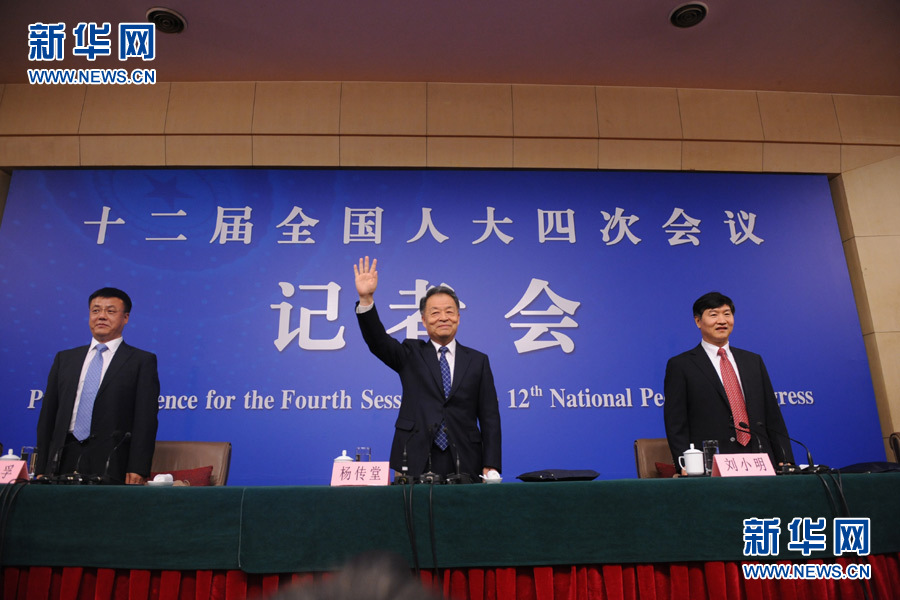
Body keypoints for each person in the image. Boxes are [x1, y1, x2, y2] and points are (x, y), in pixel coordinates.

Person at [353, 257, 501, 481]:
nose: (443, 318)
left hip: (465, 456)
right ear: (424, 320)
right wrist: (366, 300)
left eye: (449, 312)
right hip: (414, 454)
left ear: (458, 318)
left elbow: (490, 416)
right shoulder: (411, 353)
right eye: (435, 313)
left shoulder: (478, 361)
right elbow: (378, 341)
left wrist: (491, 463)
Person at [35, 287, 160, 484]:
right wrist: (42, 466)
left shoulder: (141, 361)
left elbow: (145, 420)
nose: (101, 316)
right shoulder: (65, 359)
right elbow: (48, 417)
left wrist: (138, 467)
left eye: (110, 311)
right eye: (95, 310)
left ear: (125, 318)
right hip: (63, 455)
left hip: (112, 457)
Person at [663, 291, 794, 468]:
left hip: (760, 460)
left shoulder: (753, 361)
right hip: (712, 464)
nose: (722, 321)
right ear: (698, 321)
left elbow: (772, 415)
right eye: (713, 315)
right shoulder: (681, 365)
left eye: (727, 314)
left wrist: (785, 458)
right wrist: (686, 465)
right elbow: (676, 423)